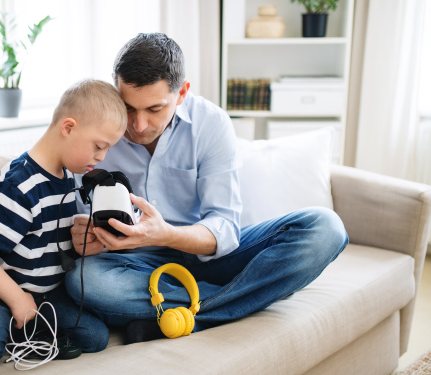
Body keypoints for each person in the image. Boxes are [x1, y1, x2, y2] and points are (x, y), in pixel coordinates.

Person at [65, 33, 349, 344]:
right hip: (137, 264)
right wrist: (89, 239)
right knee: (86, 283)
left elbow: (225, 229)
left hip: (212, 258)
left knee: (326, 229)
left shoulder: (211, 124)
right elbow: (84, 217)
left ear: (182, 92)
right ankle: (243, 297)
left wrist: (166, 234)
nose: (139, 125)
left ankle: (179, 316)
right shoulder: (96, 130)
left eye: (155, 109)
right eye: (129, 107)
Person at [0, 79, 126, 375]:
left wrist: (87, 243)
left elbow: (50, 242)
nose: (102, 157)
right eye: (99, 146)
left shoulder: (69, 176)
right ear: (68, 127)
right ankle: (10, 320)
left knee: (95, 337)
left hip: (44, 293)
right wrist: (16, 299)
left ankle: (22, 328)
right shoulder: (18, 185)